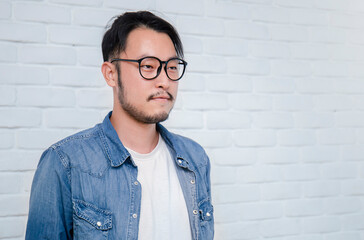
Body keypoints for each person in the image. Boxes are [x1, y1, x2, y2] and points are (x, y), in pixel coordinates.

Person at [25, 11, 214, 240]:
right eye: (148, 66)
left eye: (172, 67)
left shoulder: (195, 158)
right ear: (111, 74)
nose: (164, 80)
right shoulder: (65, 163)